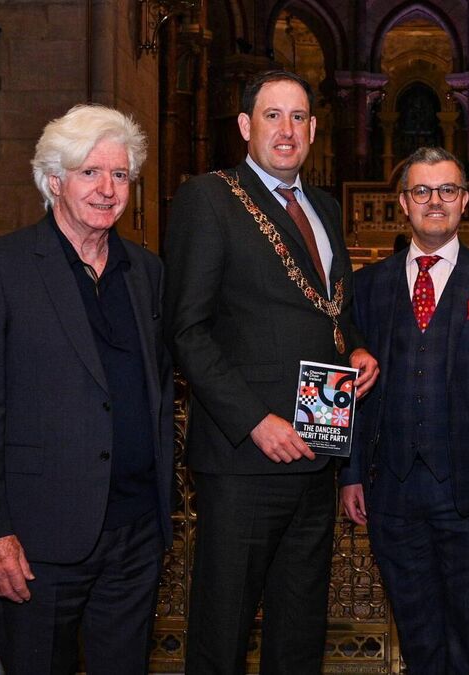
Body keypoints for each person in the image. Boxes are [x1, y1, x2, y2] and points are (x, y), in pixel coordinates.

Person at [0, 104, 174, 673]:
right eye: (90, 172)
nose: (107, 188)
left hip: (136, 533)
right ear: (54, 181)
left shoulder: (146, 273)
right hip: (37, 540)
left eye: (120, 175)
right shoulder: (1, 267)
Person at [163, 69, 379, 674]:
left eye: (299, 117)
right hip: (245, 458)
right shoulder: (209, 197)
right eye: (272, 115)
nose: (288, 130)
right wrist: (255, 420)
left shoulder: (326, 206)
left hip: (318, 444)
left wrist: (357, 347)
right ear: (244, 125)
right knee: (223, 627)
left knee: (299, 625)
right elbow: (186, 330)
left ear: (313, 128)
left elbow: (334, 308)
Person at [339, 146, 469, 675]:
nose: (435, 201)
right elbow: (356, 382)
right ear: (403, 202)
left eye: (447, 190)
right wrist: (351, 475)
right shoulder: (370, 285)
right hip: (392, 492)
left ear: (465, 201)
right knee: (418, 634)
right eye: (422, 191)